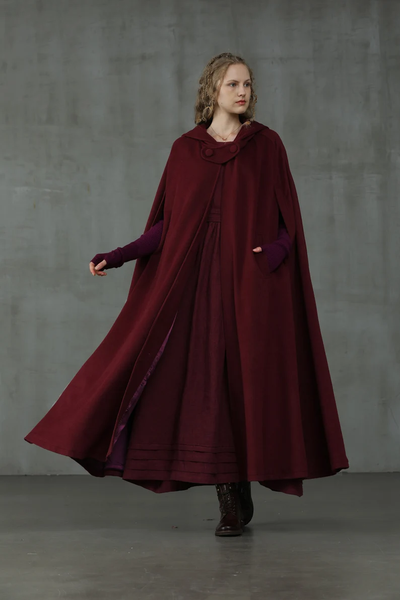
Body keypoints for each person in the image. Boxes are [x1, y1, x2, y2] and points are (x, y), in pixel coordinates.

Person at [25, 52, 349, 537]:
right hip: (195, 289)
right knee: (206, 388)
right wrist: (118, 255)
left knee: (246, 386)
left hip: (251, 288)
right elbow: (166, 228)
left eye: (248, 84)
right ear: (212, 89)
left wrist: (273, 254)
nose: (243, 92)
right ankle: (230, 499)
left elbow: (290, 224)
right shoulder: (185, 150)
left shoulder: (267, 146)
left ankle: (242, 482)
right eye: (233, 84)